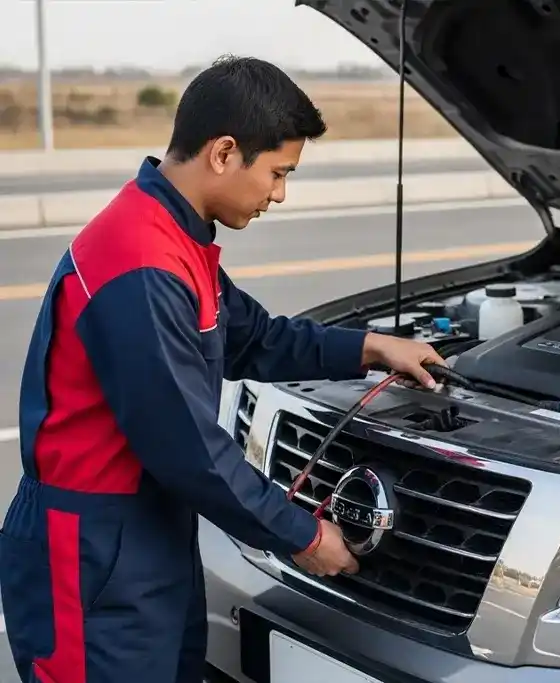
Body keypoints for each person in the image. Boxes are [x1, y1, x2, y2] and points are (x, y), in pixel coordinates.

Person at [0, 55, 446, 683]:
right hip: (91, 555)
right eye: (277, 173)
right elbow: (190, 449)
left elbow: (255, 338)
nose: (279, 194)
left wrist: (371, 347)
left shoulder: (176, 236)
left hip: (148, 537)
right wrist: (303, 536)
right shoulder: (141, 264)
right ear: (224, 152)